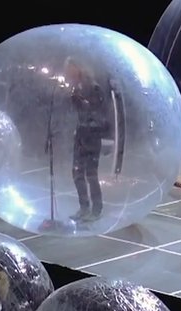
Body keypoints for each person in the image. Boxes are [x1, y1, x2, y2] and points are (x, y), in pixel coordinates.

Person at [65, 58, 111, 223]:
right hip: (81, 134)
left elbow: (98, 113)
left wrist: (82, 103)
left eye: (70, 68)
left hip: (92, 136)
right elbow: (76, 112)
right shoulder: (75, 87)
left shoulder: (93, 88)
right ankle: (83, 207)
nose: (68, 72)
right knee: (77, 173)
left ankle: (96, 209)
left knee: (91, 174)